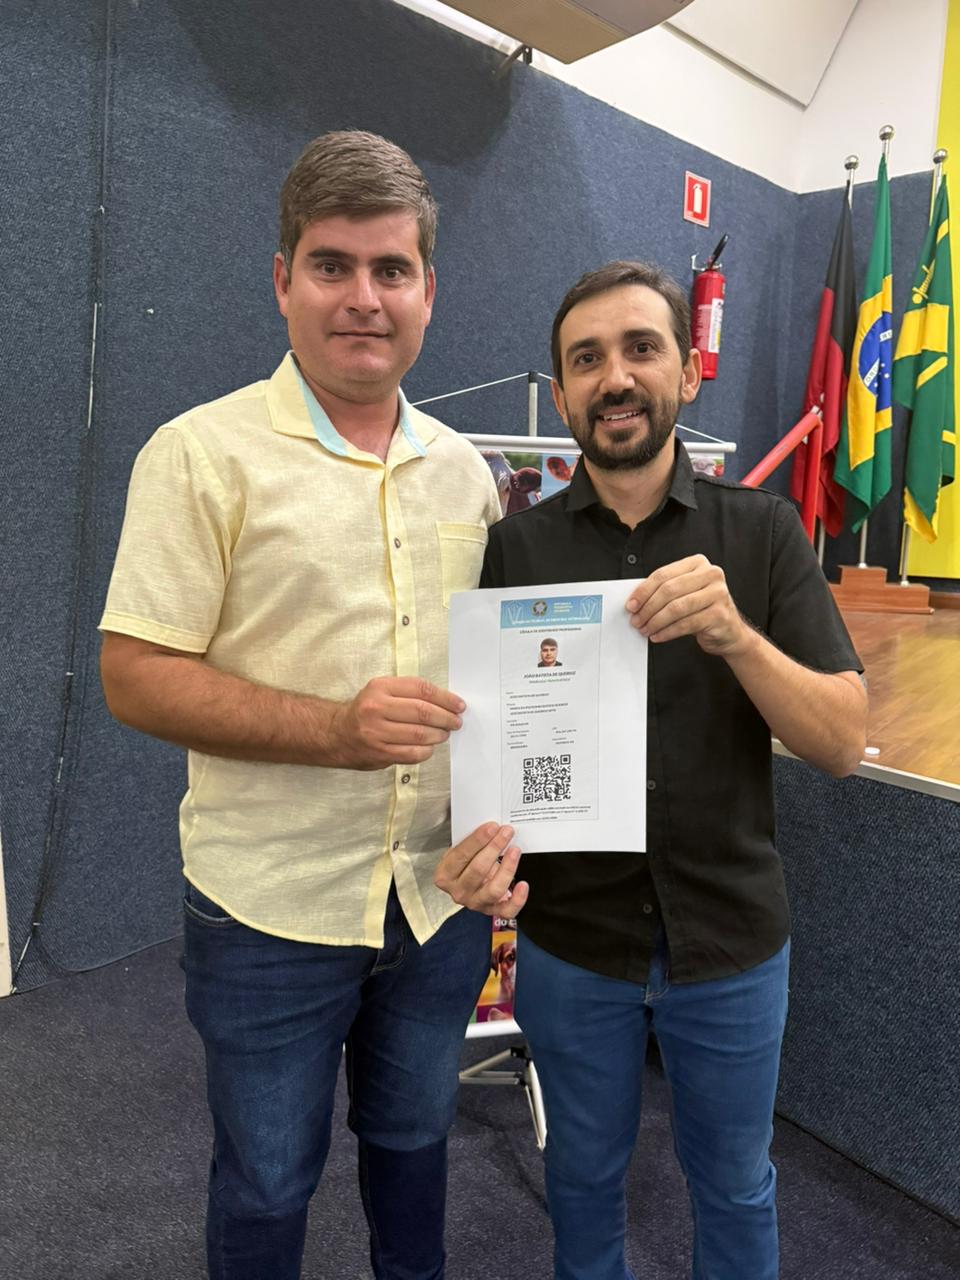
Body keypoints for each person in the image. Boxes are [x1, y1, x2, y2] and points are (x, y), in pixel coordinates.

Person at [98, 131, 501, 1280]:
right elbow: (135, 672)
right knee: (269, 1178)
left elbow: (501, 686)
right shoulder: (198, 456)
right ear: (283, 280)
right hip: (269, 905)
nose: (363, 297)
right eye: (332, 265)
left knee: (417, 1146)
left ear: (428, 289)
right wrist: (334, 729)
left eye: (392, 268)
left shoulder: (469, 473)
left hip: (436, 899)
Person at [434, 261, 867, 1280]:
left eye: (641, 348)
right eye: (586, 360)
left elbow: (843, 741)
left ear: (688, 372)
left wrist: (736, 636)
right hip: (573, 945)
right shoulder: (513, 551)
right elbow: (486, 747)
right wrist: (474, 844)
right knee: (581, 1182)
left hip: (730, 942)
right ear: (563, 391)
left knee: (736, 1186)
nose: (615, 377)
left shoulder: (762, 533)